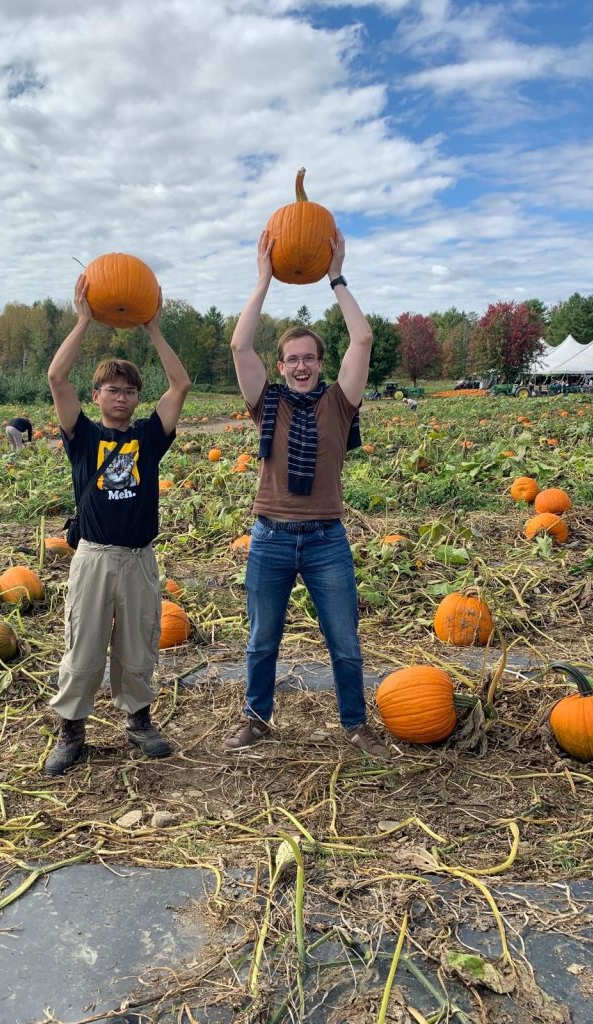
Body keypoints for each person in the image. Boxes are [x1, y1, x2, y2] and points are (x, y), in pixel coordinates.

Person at [225, 228, 391, 758]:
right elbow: (239, 344)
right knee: (261, 642)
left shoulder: (340, 403)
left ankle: (356, 725)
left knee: (344, 644)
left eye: (309, 358)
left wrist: (336, 276)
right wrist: (263, 279)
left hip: (325, 540)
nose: (301, 365)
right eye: (292, 359)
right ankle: (256, 717)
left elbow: (362, 340)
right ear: (281, 366)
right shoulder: (266, 402)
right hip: (270, 537)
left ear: (321, 364)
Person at [43, 274, 191, 775]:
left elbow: (180, 385)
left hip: (138, 559)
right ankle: (71, 729)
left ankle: (139, 720)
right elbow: (56, 379)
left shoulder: (149, 437)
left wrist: (153, 328)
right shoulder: (82, 436)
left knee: (138, 647)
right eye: (112, 390)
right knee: (83, 647)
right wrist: (83, 320)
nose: (122, 398)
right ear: (97, 394)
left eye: (129, 391)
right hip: (94, 557)